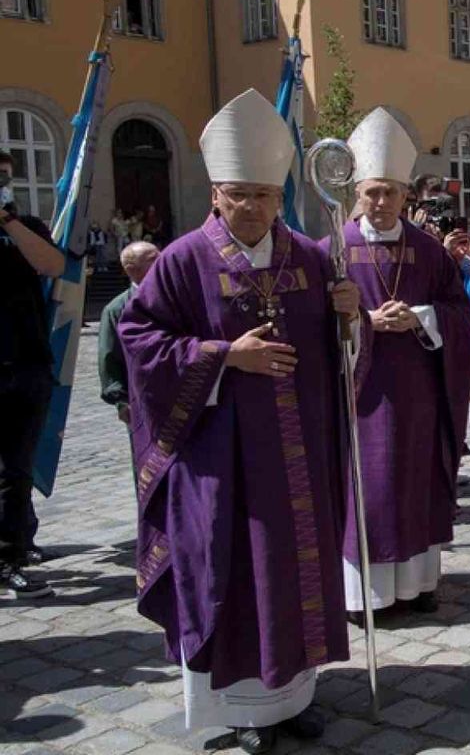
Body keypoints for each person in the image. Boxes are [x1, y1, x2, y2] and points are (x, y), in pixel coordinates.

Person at [117, 89, 365, 750]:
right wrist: (227, 357)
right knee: (228, 569)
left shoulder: (314, 260)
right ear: (215, 193)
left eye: (263, 193)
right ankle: (239, 710)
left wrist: (348, 315)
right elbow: (139, 341)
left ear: (279, 195)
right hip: (219, 458)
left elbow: (342, 355)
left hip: (299, 457)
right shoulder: (181, 262)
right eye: (238, 194)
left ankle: (291, 698)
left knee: (294, 569)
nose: (251, 206)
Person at [329, 109, 470, 619]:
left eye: (392, 191)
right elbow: (311, 320)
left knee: (416, 484)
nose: (382, 202)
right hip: (361, 394)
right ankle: (363, 595)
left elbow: (461, 313)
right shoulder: (334, 249)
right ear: (357, 192)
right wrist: (364, 320)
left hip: (417, 393)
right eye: (372, 191)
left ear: (406, 194)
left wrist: (422, 317)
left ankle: (417, 586)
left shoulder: (430, 252)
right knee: (368, 488)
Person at [0, 149, 64, 600]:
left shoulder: (28, 228)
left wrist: (8, 222)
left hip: (27, 365)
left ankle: (12, 555)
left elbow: (54, 265)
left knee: (15, 470)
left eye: (5, 177)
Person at [99, 241, 160, 429]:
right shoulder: (117, 309)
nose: (162, 260)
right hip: (142, 398)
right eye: (153, 259)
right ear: (131, 269)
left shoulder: (179, 296)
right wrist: (121, 400)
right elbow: (109, 356)